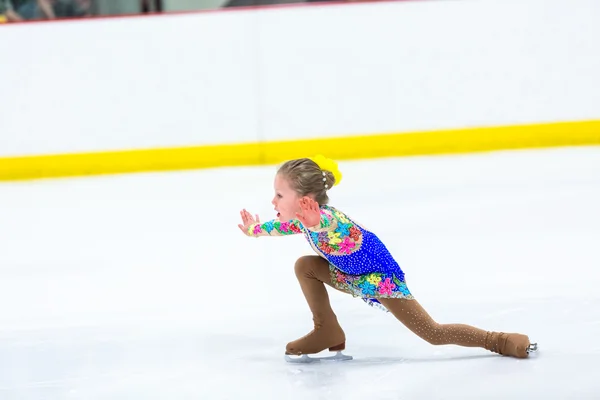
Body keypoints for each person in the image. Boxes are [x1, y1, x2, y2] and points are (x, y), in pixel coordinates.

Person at [238, 155, 536, 360]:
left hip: (381, 281)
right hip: (349, 275)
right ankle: (326, 330)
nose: (273, 201)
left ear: (305, 199)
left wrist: (316, 223)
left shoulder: (327, 218)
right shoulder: (304, 219)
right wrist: (254, 230)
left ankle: (500, 340)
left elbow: (328, 225)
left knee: (432, 333)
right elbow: (278, 227)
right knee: (305, 266)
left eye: (279, 194)